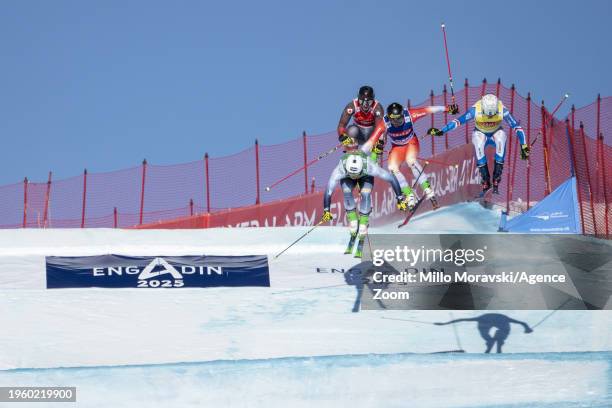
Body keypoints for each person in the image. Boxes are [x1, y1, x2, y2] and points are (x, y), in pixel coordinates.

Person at [363, 102, 459, 209]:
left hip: (411, 142)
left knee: (411, 161)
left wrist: (447, 108)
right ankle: (409, 194)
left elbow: (429, 109)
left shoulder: (410, 115)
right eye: (394, 120)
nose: (398, 122)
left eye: (400, 119)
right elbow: (371, 141)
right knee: (392, 168)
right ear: (390, 119)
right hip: (397, 147)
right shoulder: (384, 123)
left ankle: (428, 190)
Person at [320, 144, 409, 258]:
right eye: (353, 174)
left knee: (365, 193)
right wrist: (326, 210)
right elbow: (328, 191)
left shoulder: (370, 166)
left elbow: (391, 178)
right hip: (347, 176)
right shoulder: (340, 169)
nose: (354, 176)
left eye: (356, 174)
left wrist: (400, 198)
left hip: (365, 175)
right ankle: (353, 225)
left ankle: (362, 230)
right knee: (347, 191)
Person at [429, 93, 529, 194]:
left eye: (492, 114)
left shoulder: (502, 110)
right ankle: (485, 180)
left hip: (496, 131)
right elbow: (458, 121)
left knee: (501, 138)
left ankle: (496, 178)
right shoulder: (475, 110)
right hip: (480, 132)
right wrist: (442, 131)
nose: (489, 117)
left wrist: (524, 146)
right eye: (487, 114)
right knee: (478, 141)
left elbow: (517, 127)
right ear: (483, 108)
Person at [434, 313, 533, 353]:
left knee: (498, 338)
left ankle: (496, 346)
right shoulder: (483, 319)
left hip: (500, 324)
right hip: (491, 323)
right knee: (492, 339)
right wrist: (444, 323)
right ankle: (491, 345)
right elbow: (462, 319)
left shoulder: (502, 319)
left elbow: (522, 323)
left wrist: (527, 328)